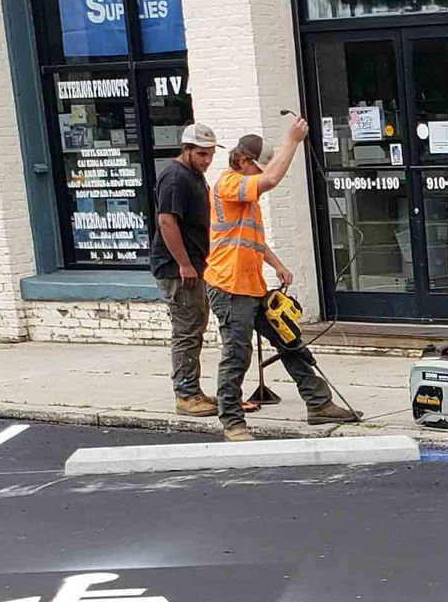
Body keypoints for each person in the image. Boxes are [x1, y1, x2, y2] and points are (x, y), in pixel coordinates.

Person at [204, 119, 361, 442]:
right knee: (237, 354)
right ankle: (232, 422)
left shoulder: (244, 194)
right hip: (229, 286)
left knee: (289, 340)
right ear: (243, 161)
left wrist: (277, 265)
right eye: (256, 167)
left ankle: (319, 404)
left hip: (250, 285)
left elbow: (252, 240)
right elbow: (272, 178)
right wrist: (292, 139)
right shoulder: (228, 185)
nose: (259, 173)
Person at [148, 119, 219, 418]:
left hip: (194, 264)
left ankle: (194, 389)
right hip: (177, 268)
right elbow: (167, 221)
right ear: (186, 149)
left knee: (195, 326)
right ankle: (186, 394)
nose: (207, 160)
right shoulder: (175, 177)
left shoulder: (192, 175)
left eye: (211, 153)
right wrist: (184, 264)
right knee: (187, 329)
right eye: (201, 153)